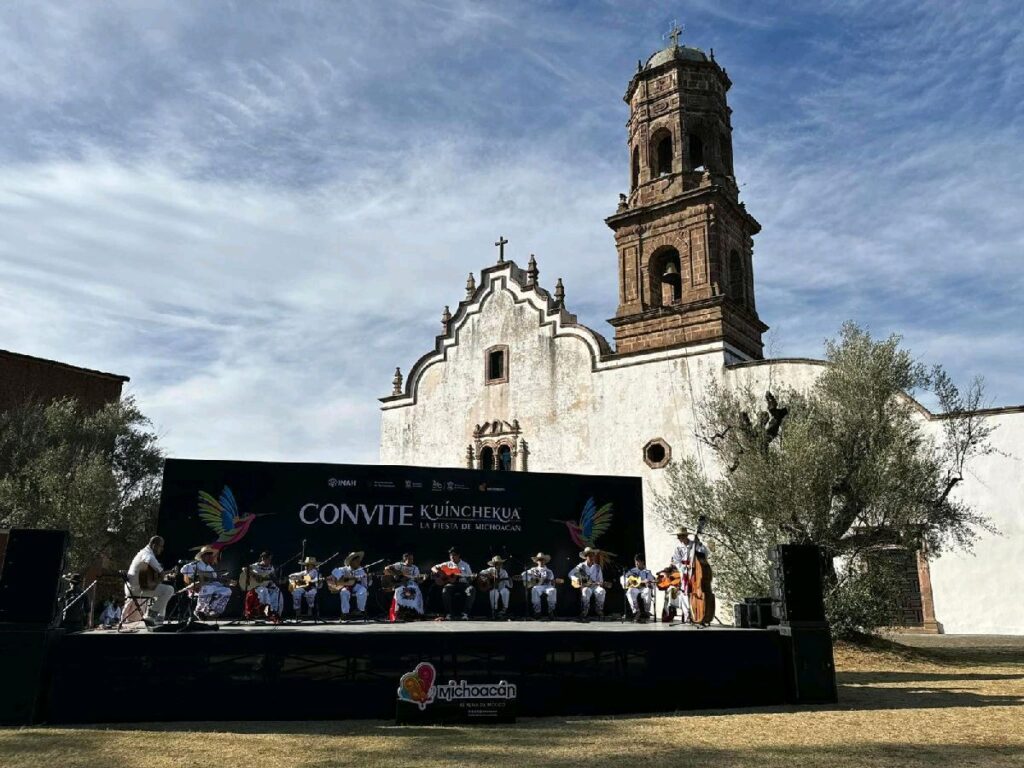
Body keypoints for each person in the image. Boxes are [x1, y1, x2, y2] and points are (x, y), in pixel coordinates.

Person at [124, 535, 174, 625]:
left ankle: (159, 619)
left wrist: (163, 576)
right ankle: (150, 616)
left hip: (136, 587)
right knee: (169, 590)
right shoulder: (147, 554)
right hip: (137, 589)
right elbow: (150, 561)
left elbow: (150, 577)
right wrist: (162, 573)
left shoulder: (143, 552)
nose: (162, 549)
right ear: (154, 545)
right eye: (161, 546)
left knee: (163, 592)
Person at [181, 545, 232, 619]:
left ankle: (213, 610)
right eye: (208, 554)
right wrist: (192, 581)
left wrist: (224, 582)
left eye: (211, 554)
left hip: (207, 588)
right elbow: (184, 570)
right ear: (202, 556)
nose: (211, 556)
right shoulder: (195, 564)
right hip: (194, 588)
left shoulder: (211, 569)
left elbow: (213, 582)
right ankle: (199, 611)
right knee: (208, 587)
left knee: (227, 590)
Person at [670, 526, 708, 624]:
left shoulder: (694, 544)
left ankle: (697, 614)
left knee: (696, 591)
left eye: (680, 536)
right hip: (685, 573)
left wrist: (700, 544)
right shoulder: (678, 548)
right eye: (678, 536)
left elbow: (704, 553)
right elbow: (676, 561)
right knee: (684, 593)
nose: (679, 538)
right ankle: (688, 616)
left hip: (696, 572)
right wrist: (685, 567)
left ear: (685, 536)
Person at [431, 547, 475, 620]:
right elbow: (433, 567)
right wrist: (439, 572)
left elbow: (470, 576)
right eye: (450, 555)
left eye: (454, 555)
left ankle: (465, 614)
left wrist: (470, 577)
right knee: (445, 590)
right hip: (451, 584)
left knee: (471, 589)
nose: (452, 557)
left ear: (458, 555)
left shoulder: (465, 565)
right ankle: (449, 613)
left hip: (463, 584)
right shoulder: (447, 564)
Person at [569, 547, 607, 619]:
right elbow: (570, 574)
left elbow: (600, 580)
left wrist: (601, 583)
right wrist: (578, 580)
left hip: (595, 586)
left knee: (602, 591)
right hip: (585, 586)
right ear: (586, 556)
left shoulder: (597, 567)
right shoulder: (581, 566)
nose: (591, 557)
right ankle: (584, 611)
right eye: (589, 555)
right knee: (586, 590)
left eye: (592, 555)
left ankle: (599, 610)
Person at [331, 551, 370, 618]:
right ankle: (345, 613)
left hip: (356, 586)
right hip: (346, 586)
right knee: (344, 592)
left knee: (363, 590)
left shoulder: (361, 570)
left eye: (359, 561)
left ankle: (359, 610)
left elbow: (364, 582)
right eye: (357, 561)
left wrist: (366, 588)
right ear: (351, 561)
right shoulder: (344, 569)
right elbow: (334, 571)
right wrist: (342, 578)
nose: (359, 562)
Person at [245, 551, 282, 620]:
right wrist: (255, 576)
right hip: (256, 587)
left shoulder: (271, 567)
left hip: (266, 586)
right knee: (263, 590)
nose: (269, 561)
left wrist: (277, 581)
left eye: (270, 559)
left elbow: (272, 578)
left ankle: (273, 612)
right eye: (268, 559)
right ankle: (261, 612)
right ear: (263, 558)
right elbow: (244, 569)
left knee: (276, 590)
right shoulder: (256, 565)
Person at [387, 552, 424, 620]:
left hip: (412, 584)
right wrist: (396, 575)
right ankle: (399, 612)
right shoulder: (399, 565)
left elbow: (418, 579)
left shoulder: (415, 568)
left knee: (415, 590)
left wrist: (420, 579)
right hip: (401, 584)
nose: (411, 561)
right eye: (409, 559)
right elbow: (387, 568)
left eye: (412, 559)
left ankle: (412, 612)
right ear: (405, 559)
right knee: (399, 590)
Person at [522, 552, 558, 619]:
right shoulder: (533, 569)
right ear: (537, 561)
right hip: (538, 586)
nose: (541, 561)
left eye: (542, 559)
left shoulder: (549, 571)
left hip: (547, 586)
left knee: (553, 590)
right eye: (539, 560)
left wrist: (553, 582)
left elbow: (552, 582)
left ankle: (551, 611)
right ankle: (537, 611)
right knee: (534, 589)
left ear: (545, 561)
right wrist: (530, 579)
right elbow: (524, 574)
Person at [620, 553, 655, 623]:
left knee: (648, 590)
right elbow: (623, 578)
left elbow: (652, 582)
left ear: (642, 562)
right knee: (629, 591)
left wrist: (649, 583)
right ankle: (636, 611)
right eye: (635, 561)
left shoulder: (647, 572)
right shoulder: (632, 571)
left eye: (638, 561)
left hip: (644, 588)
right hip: (635, 588)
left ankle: (646, 611)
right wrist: (627, 582)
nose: (636, 563)